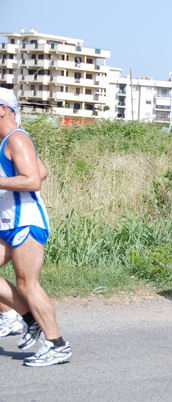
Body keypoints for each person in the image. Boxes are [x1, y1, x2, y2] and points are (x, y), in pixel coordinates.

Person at [0, 87, 72, 366]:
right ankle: (29, 318)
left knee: (27, 284)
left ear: (2, 109)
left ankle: (57, 345)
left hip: (26, 222)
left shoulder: (17, 138)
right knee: (24, 285)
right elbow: (41, 169)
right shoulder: (8, 139)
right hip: (8, 222)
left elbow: (33, 180)